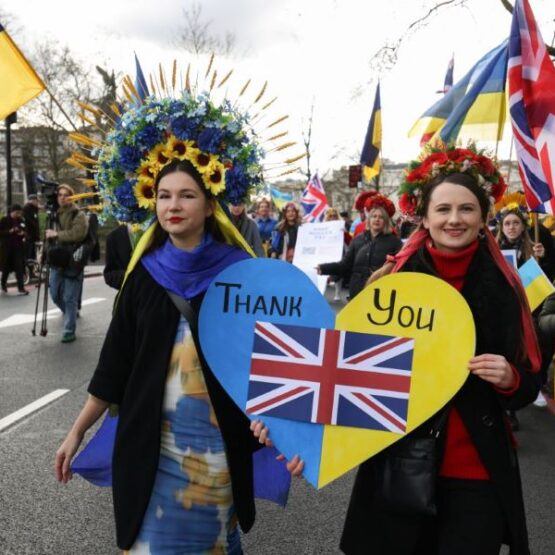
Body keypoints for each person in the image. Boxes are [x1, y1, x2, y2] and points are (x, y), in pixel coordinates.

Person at [54, 84, 274, 553]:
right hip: (151, 449)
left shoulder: (242, 273)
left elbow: (272, 359)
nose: (173, 206)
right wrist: (77, 432)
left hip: (217, 451)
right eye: (164, 195)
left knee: (213, 543)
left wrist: (282, 422)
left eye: (187, 195)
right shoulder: (143, 275)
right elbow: (115, 366)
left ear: (211, 203)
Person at [337, 144, 541, 555]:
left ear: (483, 217)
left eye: (466, 209)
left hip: (475, 467)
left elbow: (527, 381)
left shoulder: (505, 286)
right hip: (399, 458)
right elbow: (349, 371)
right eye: (443, 209)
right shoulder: (393, 281)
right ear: (424, 216)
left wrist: (510, 377)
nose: (454, 219)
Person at [495, 195, 553, 412]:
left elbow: (546, 280)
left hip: (530, 308)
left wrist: (544, 259)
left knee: (533, 346)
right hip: (503, 308)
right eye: (507, 223)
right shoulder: (493, 247)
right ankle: (507, 407)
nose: (511, 227)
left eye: (516, 223)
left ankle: (534, 383)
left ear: (523, 226)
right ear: (502, 226)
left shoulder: (534, 247)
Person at [317, 194, 402, 300]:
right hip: (356, 296)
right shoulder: (358, 240)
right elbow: (345, 265)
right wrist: (323, 268)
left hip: (381, 297)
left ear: (385, 221)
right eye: (374, 216)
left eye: (381, 217)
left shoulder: (394, 242)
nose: (377, 220)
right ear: (369, 219)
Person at [45, 184, 88, 343]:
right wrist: (43, 254)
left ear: (72, 196)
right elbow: (47, 238)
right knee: (55, 294)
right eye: (60, 195)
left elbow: (78, 234)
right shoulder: (53, 215)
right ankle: (71, 312)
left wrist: (57, 234)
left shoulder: (78, 214)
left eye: (66, 195)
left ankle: (69, 329)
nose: (62, 197)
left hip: (73, 260)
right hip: (56, 260)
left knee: (70, 297)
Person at [0, 204, 29, 295]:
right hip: (7, 249)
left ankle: (21, 288)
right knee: (6, 268)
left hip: (18, 248)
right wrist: (10, 231)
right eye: (17, 212)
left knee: (19, 267)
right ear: (12, 212)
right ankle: (3, 284)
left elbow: (25, 231)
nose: (18, 214)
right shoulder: (4, 220)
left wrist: (22, 233)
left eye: (19, 213)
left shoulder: (21, 220)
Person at [103, 224, 134, 290]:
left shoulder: (158, 231)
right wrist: (132, 278)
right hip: (130, 295)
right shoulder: (114, 237)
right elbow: (110, 275)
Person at [22, 194, 40, 262]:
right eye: (36, 201)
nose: (37, 203)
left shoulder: (35, 209)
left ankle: (32, 267)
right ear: (32, 201)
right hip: (29, 235)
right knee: (29, 254)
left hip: (33, 236)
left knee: (33, 254)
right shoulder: (27, 209)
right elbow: (29, 222)